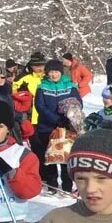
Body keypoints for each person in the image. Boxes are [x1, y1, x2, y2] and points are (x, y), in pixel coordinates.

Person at [34, 59, 82, 195]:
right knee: (49, 157)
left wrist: (69, 118)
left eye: (56, 72)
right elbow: (40, 106)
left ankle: (67, 186)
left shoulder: (70, 85)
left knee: (66, 157)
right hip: (47, 126)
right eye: (51, 72)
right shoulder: (42, 87)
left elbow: (77, 103)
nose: (54, 74)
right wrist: (56, 119)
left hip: (67, 126)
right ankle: (52, 185)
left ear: (61, 72)